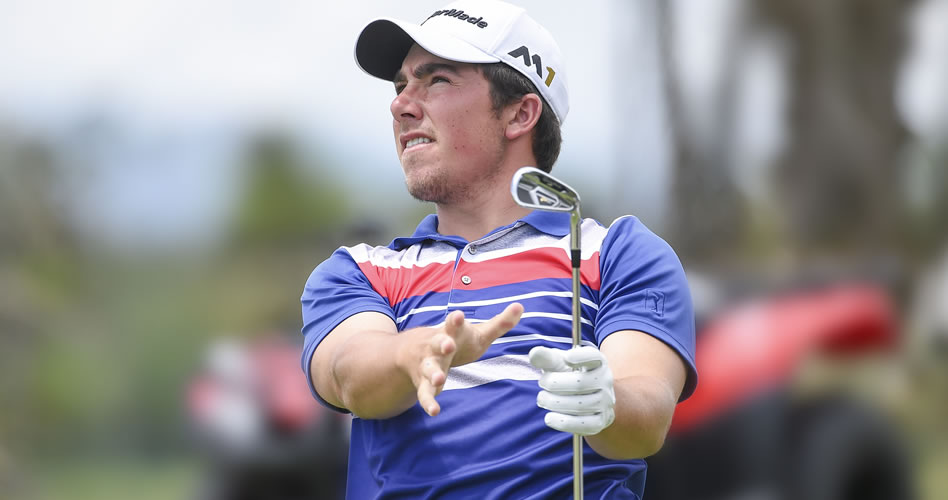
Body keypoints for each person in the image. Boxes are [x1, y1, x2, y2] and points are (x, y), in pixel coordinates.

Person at [300, 1, 697, 498]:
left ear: (519, 113)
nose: (401, 104)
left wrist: (608, 402)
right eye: (402, 85)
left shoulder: (617, 253)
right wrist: (414, 353)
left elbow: (649, 411)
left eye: (436, 80)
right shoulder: (360, 272)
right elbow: (350, 376)